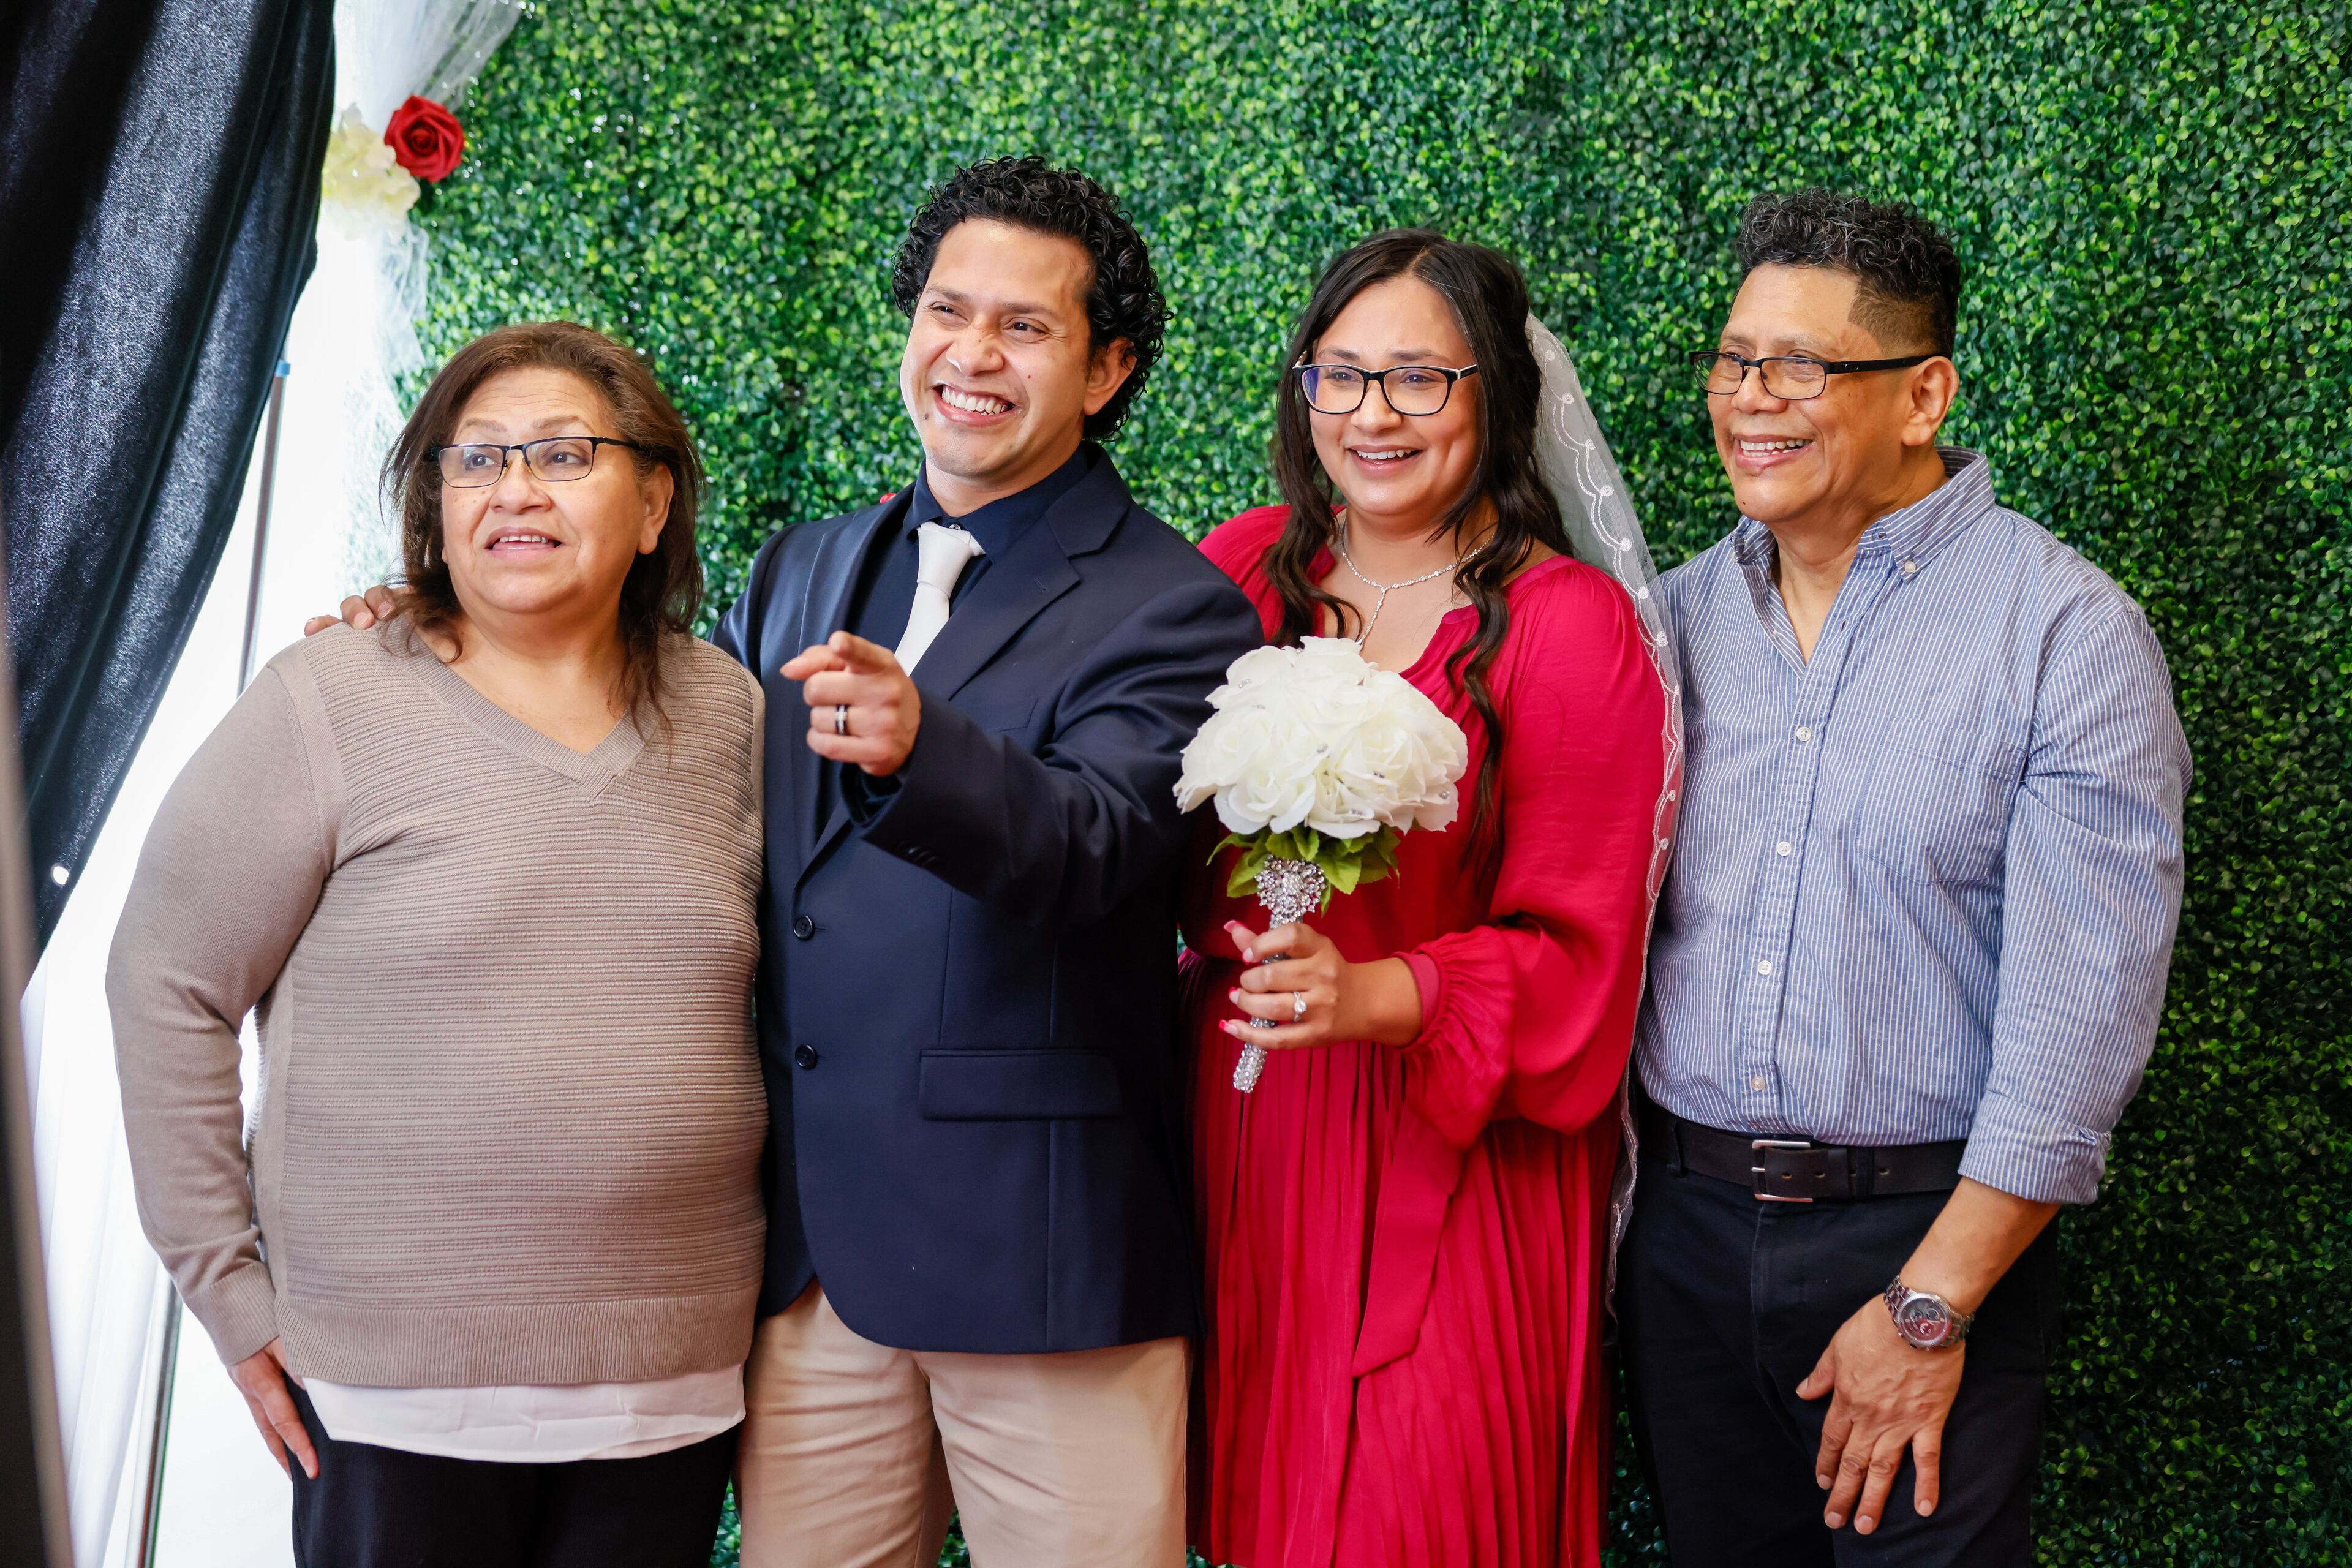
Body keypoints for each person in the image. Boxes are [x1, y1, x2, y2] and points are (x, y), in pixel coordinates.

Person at [334, 157, 1265, 1565]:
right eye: (947, 310)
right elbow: (647, 749)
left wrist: (923, 749)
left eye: (1024, 325)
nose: (972, 353)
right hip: (808, 1264)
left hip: (1043, 1263)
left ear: (1107, 369)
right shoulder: (803, 568)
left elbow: (1102, 844)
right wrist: (448, 633)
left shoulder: (1176, 605)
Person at [110, 322, 767, 1566]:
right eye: (477, 459)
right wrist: (227, 1289)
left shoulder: (730, 713)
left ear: (652, 504)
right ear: (436, 507)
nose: (515, 488)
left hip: (670, 1392)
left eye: (563, 454)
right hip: (386, 1397)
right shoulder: (329, 696)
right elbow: (166, 982)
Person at [1619, 189, 2192, 1566]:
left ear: (1923, 395)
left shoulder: (2066, 633)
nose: (1749, 399)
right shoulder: (1671, 619)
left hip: (1925, 1240)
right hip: (1683, 1240)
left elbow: (2078, 1032)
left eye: (1799, 366)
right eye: (1734, 360)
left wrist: (1928, 1310)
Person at [1183, 231, 1678, 1567]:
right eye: (1339, 376)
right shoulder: (1240, 573)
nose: (1372, 416)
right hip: (1252, 1131)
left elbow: (1583, 954)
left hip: (1454, 1150)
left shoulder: (1567, 626)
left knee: (1419, 1511)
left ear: (1494, 392)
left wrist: (1376, 994)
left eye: (1418, 378)